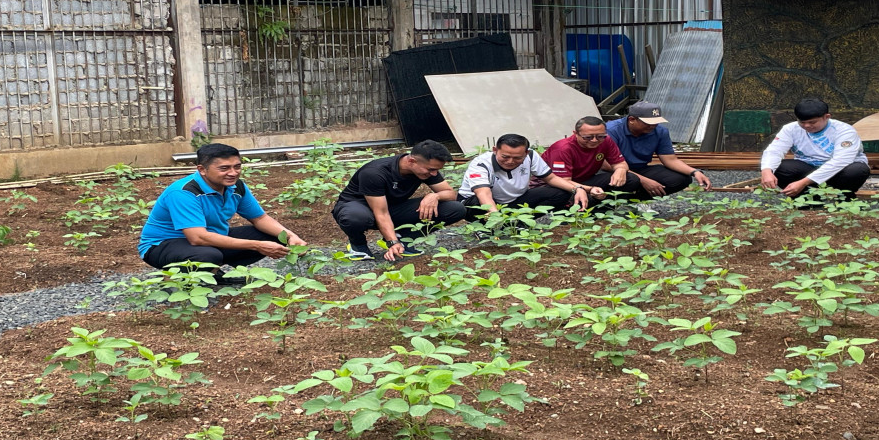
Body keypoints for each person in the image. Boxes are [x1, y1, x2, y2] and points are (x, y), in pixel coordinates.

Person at [138, 143, 306, 280]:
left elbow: (260, 218)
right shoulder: (184, 192)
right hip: (162, 245)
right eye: (224, 168)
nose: (233, 173)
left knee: (274, 235)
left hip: (206, 240)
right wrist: (257, 245)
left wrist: (291, 236)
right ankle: (174, 280)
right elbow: (198, 238)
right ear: (202, 169)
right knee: (208, 255)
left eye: (237, 166)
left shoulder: (236, 187)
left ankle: (211, 273)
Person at [332, 140, 467, 262]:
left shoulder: (426, 169)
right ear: (412, 161)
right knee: (356, 217)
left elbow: (450, 194)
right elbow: (381, 213)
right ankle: (358, 245)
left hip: (391, 208)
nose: (434, 174)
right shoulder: (375, 172)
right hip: (359, 208)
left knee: (455, 208)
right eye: (431, 169)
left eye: (437, 170)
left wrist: (434, 196)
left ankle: (403, 238)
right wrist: (392, 242)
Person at [458, 133, 599, 220]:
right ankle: (486, 227)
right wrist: (494, 213)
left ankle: (519, 222)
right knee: (476, 202)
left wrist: (578, 189)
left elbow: (551, 178)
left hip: (514, 201)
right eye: (505, 157)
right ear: (495, 150)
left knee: (560, 193)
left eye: (517, 158)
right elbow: (483, 193)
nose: (510, 161)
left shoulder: (531, 156)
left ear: (526, 153)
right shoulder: (481, 164)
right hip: (482, 202)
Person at [760, 98, 870, 199]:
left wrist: (803, 182)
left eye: (812, 122)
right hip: (808, 168)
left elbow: (841, 161)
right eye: (802, 122)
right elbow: (774, 150)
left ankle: (846, 198)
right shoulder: (790, 129)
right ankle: (808, 200)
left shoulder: (845, 131)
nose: (807, 126)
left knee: (857, 170)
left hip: (839, 172)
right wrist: (766, 170)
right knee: (779, 167)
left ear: (826, 117)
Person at [605, 101, 712, 200]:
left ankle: (634, 201)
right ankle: (609, 203)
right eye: (648, 123)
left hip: (640, 168)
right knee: (631, 179)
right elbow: (606, 165)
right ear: (632, 120)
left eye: (656, 122)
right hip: (615, 169)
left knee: (682, 178)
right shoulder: (611, 130)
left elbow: (670, 160)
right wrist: (644, 180)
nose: (653, 126)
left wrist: (695, 172)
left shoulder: (660, 131)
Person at [539, 116, 640, 203]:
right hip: (559, 185)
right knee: (570, 196)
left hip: (585, 180)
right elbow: (562, 181)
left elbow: (620, 163)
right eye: (588, 137)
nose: (594, 140)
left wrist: (620, 170)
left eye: (600, 136)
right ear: (575, 133)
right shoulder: (562, 149)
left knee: (631, 179)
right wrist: (589, 189)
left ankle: (609, 207)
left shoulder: (606, 140)